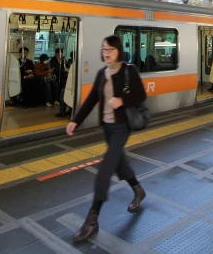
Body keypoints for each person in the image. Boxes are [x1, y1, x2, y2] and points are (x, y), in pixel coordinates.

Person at [67, 35, 147, 243]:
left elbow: (141, 95)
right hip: (107, 128)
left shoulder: (129, 71)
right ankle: (138, 190)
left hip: (122, 127)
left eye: (110, 49)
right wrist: (75, 120)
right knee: (119, 163)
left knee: (104, 170)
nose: (106, 53)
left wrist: (122, 100)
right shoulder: (102, 73)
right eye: (104, 49)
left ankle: (92, 219)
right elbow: (92, 98)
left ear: (118, 51)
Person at [51, 49, 70, 117]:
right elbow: (55, 69)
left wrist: (66, 69)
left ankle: (63, 111)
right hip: (56, 77)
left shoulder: (64, 60)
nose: (60, 54)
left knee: (64, 87)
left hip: (64, 77)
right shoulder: (53, 60)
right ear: (56, 54)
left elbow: (68, 66)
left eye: (61, 53)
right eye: (59, 53)